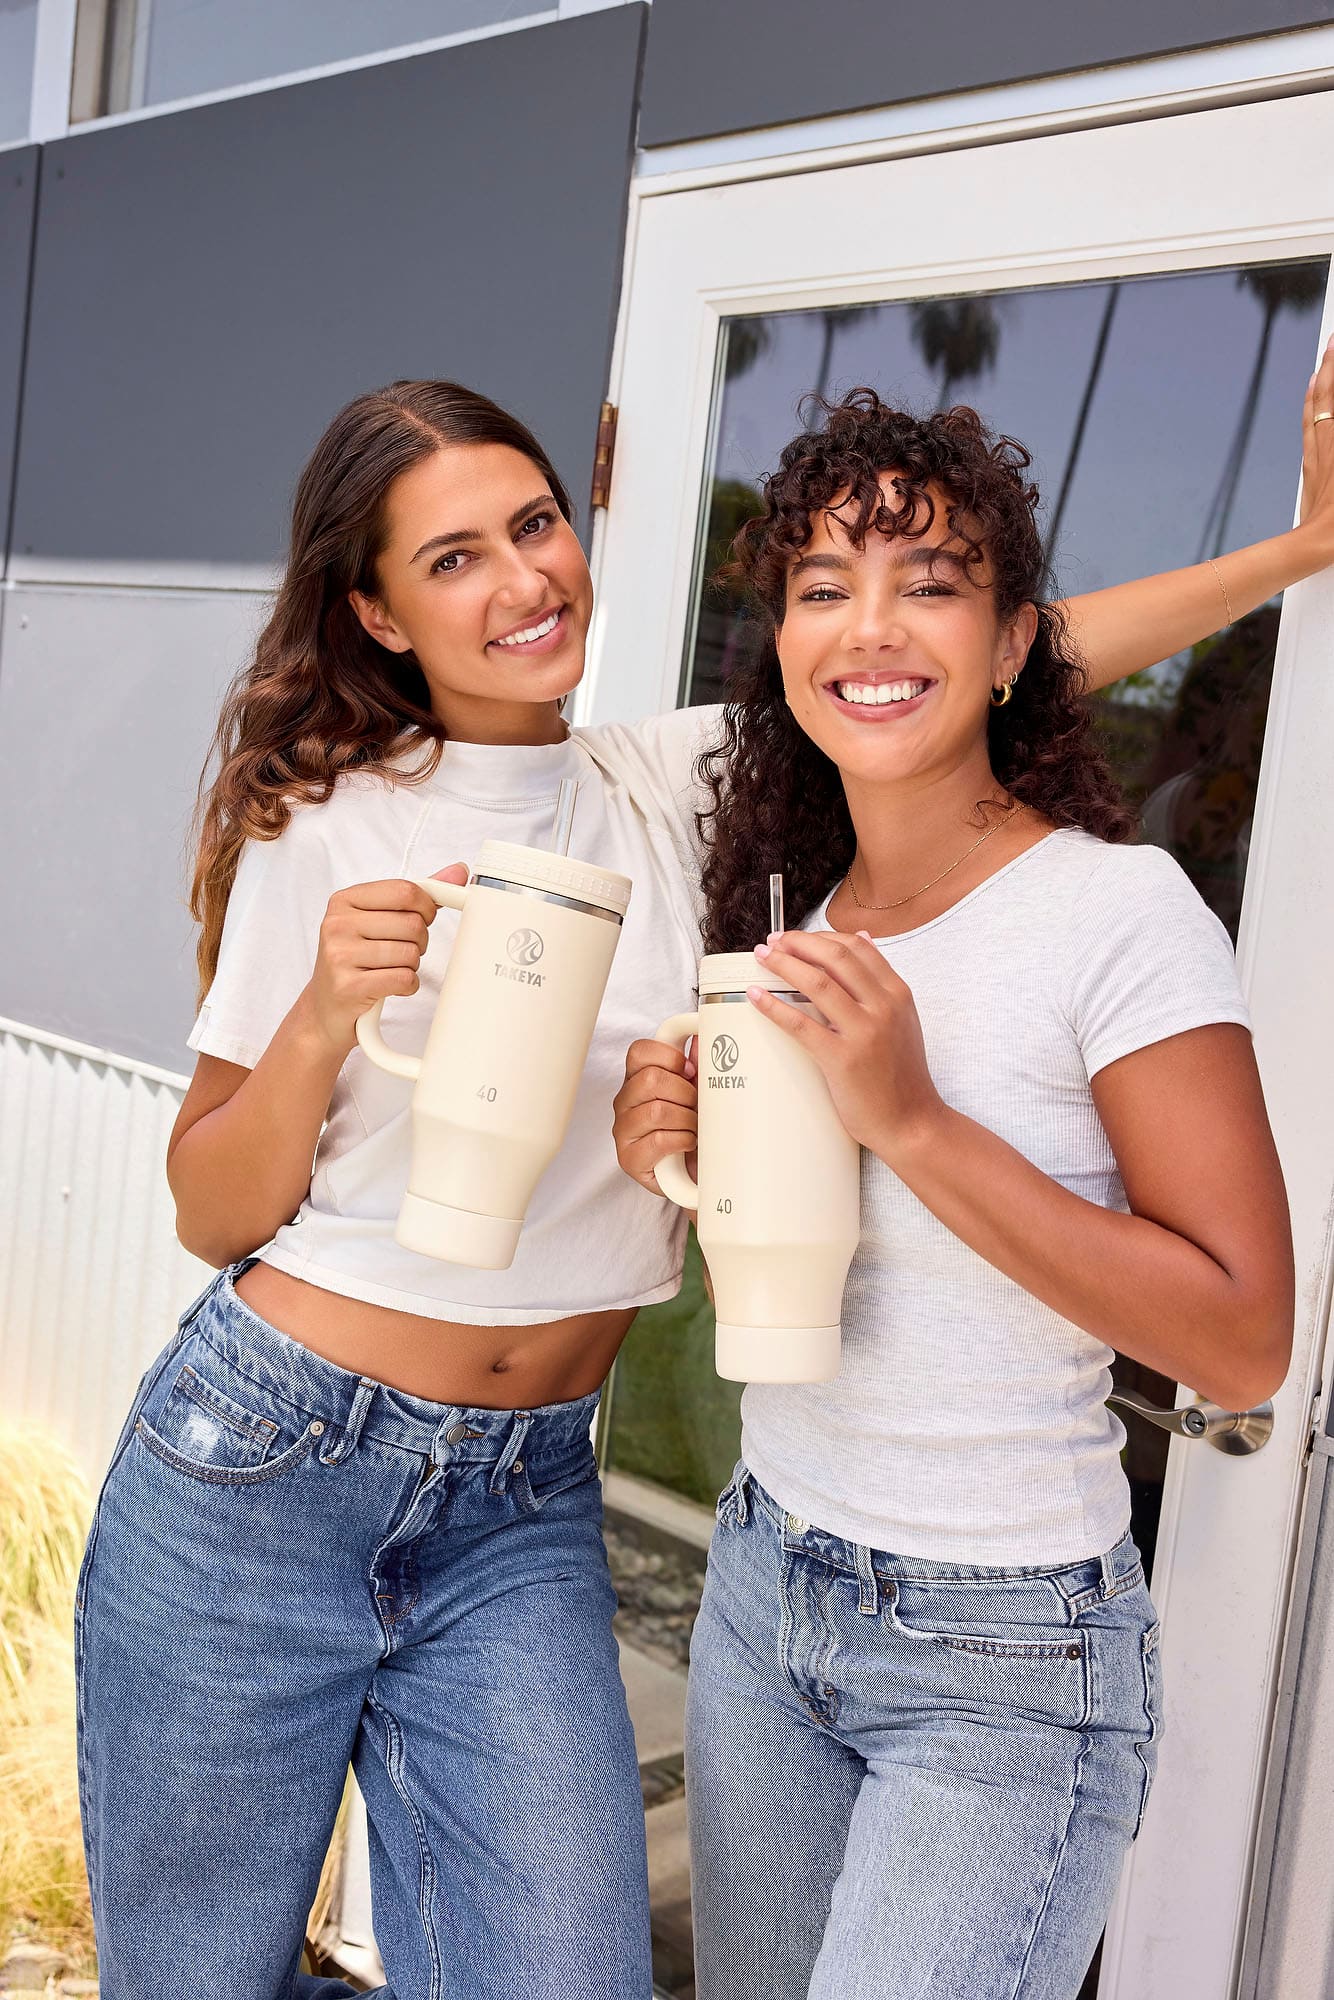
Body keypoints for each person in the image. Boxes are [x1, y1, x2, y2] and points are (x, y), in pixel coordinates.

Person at [75, 353, 1332, 2000]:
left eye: (533, 523)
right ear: (377, 613)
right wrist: (320, 1019)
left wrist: (1293, 557)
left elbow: (952, 660)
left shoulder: (671, 787)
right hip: (263, 1463)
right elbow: (212, 1210)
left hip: (521, 1497)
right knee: (197, 1981)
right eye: (452, 558)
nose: (522, 577)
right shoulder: (327, 823)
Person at [612, 373, 1329, 1998]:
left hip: (1001, 1665)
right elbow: (825, 1278)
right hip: (763, 1587)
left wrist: (915, 1120)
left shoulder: (1116, 915)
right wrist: (670, 1152)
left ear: (1015, 645)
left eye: (930, 585)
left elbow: (1238, 1342)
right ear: (781, 647)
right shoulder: (787, 916)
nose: (872, 628)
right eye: (821, 588)